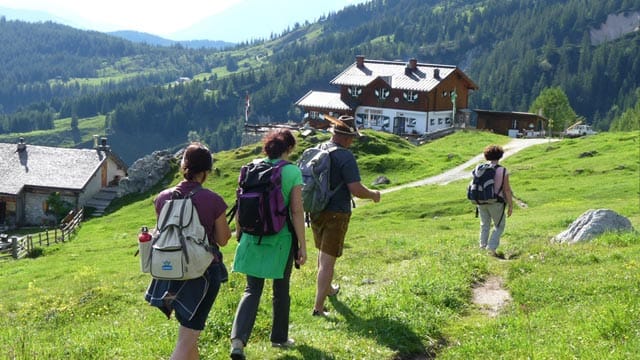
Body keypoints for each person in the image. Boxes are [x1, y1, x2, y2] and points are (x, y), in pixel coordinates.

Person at [145, 142, 231, 360]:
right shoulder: (213, 200)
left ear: (184, 165)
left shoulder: (163, 198)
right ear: (206, 171)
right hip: (202, 273)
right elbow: (223, 240)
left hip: (171, 272)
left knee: (188, 332)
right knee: (188, 337)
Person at [230, 129, 307, 359]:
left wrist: (240, 232)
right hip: (280, 238)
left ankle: (238, 342)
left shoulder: (251, 168)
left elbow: (240, 201)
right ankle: (280, 338)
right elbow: (296, 210)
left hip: (253, 237)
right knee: (281, 289)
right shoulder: (291, 171)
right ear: (289, 148)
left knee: (252, 289)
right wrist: (302, 245)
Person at [310, 115, 381, 317]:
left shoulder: (320, 148)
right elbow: (356, 189)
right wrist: (373, 195)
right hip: (337, 213)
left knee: (323, 255)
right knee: (327, 261)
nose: (352, 142)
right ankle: (318, 308)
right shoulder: (345, 156)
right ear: (346, 138)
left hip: (315, 210)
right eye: (352, 138)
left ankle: (329, 288)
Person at [477, 144, 513, 257]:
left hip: (481, 201)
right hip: (496, 202)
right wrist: (510, 205)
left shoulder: (480, 168)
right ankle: (491, 249)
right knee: (499, 226)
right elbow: (506, 189)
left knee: (484, 225)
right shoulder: (503, 171)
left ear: (486, 156)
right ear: (500, 156)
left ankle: (482, 247)